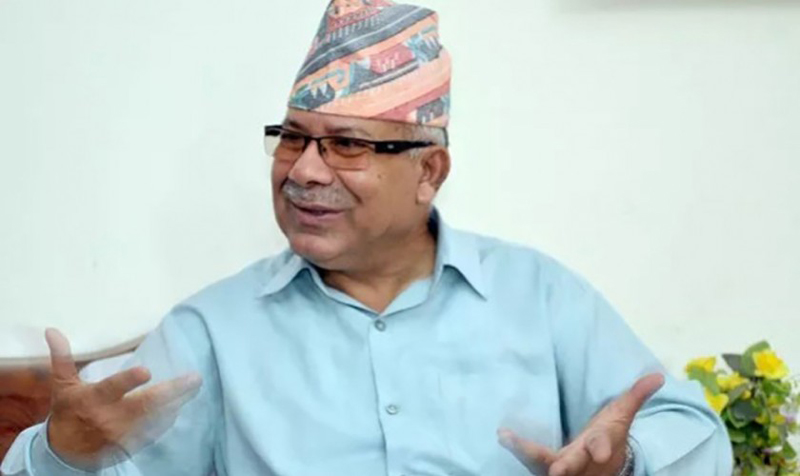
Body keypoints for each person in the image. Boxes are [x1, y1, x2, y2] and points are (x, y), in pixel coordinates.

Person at [1, 1, 733, 475]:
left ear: (428, 172)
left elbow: (690, 431)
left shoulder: (537, 296)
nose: (303, 171)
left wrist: (626, 462)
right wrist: (64, 454)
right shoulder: (213, 331)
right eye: (293, 138)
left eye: (347, 145)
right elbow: (99, 459)